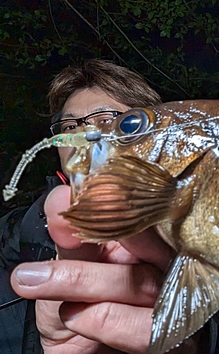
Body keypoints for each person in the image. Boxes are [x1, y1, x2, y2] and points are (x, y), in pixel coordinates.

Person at [1, 58, 169, 353]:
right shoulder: (10, 237)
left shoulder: (201, 221)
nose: (84, 135)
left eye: (106, 120)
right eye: (69, 125)